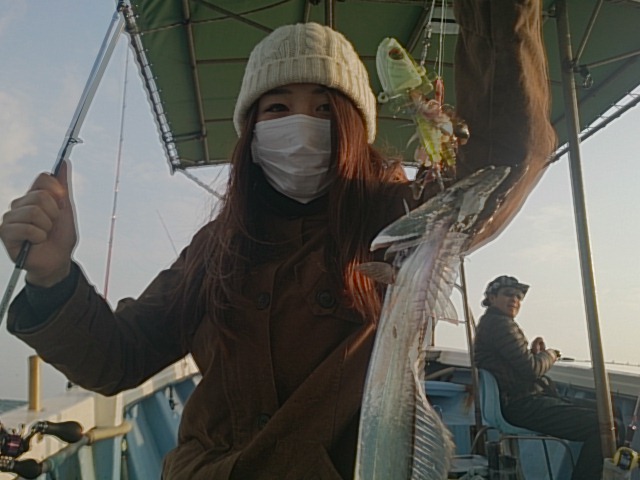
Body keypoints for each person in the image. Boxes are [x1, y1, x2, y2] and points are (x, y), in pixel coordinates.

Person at [0, 1, 556, 478]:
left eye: (325, 107)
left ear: (355, 127)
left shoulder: (402, 219)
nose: (301, 125)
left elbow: (504, 160)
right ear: (252, 132)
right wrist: (53, 277)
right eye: (277, 108)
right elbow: (118, 360)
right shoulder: (214, 247)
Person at [474, 275, 605, 480]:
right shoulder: (500, 324)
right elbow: (532, 369)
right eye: (508, 294)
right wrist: (551, 355)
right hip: (522, 405)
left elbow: (516, 365)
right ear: (492, 298)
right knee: (605, 426)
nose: (515, 299)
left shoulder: (492, 323)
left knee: (610, 412)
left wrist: (534, 354)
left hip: (522, 400)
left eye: (519, 297)